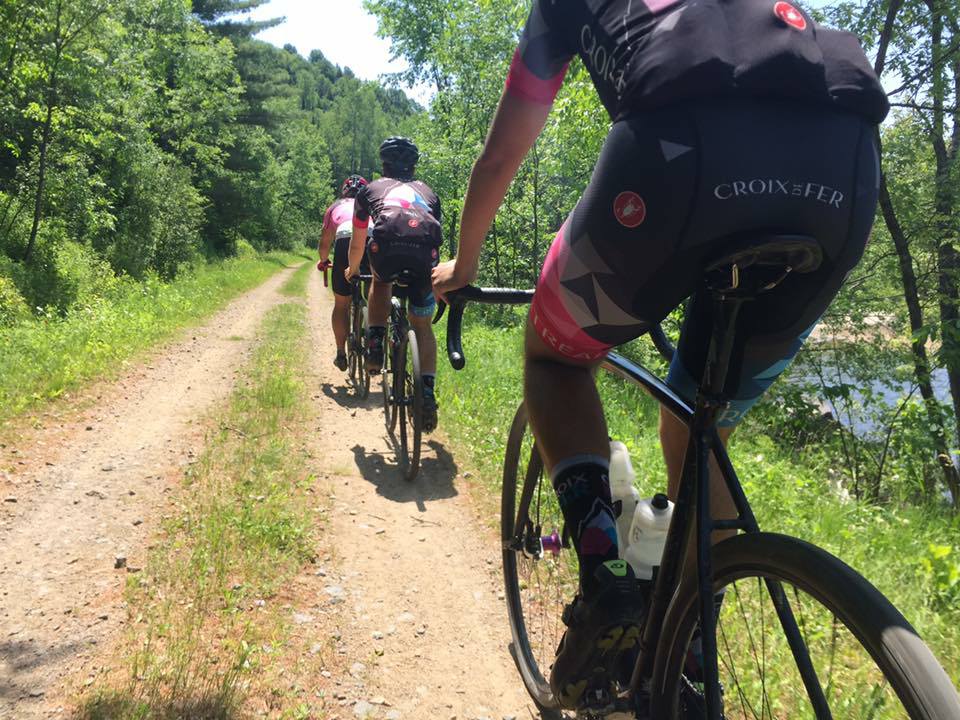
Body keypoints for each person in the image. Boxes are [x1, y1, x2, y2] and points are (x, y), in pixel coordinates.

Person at [432, 0, 888, 709]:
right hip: (846, 177)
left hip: (679, 160)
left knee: (556, 358)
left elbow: (503, 151)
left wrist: (464, 260)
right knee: (697, 424)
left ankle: (604, 573)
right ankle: (691, 629)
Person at [346, 137, 443, 432]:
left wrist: (352, 268)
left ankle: (375, 342)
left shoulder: (369, 190)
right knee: (422, 325)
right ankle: (426, 391)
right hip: (425, 253)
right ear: (414, 166)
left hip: (385, 247)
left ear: (383, 164)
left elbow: (358, 239)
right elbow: (432, 235)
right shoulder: (429, 193)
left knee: (381, 281)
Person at [318, 174, 368, 371]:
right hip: (370, 239)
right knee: (375, 292)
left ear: (344, 191)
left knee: (341, 304)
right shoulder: (371, 203)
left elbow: (324, 244)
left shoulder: (334, 207)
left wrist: (324, 261)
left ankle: (341, 352)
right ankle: (375, 340)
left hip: (345, 240)